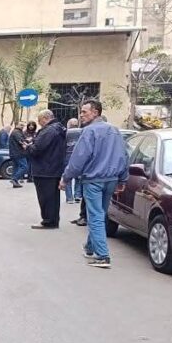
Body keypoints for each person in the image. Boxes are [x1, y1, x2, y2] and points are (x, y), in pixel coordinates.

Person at [60, 101, 129, 269]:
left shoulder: (89, 131)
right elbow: (124, 155)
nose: (81, 115)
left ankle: (102, 256)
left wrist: (66, 178)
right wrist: (122, 179)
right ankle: (90, 247)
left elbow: (78, 158)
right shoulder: (114, 130)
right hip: (111, 179)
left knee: (96, 217)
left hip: (94, 179)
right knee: (100, 214)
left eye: (84, 112)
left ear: (95, 112)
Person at [26, 109, 67, 229]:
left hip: (44, 169)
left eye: (40, 121)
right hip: (54, 168)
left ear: (45, 118)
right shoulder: (59, 128)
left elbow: (37, 149)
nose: (39, 124)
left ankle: (48, 221)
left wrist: (28, 147)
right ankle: (53, 220)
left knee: (45, 197)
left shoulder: (48, 130)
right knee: (53, 198)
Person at [63, 118, 83, 205]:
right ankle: (77, 195)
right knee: (79, 176)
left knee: (68, 176)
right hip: (79, 155)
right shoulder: (82, 131)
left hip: (68, 155)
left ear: (69, 124)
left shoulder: (66, 132)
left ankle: (69, 198)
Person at [8, 122, 29, 188]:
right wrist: (26, 145)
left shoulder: (17, 132)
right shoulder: (16, 132)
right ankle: (14, 179)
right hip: (19, 153)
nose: (22, 126)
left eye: (23, 125)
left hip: (14, 153)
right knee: (25, 167)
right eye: (21, 125)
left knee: (16, 167)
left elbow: (22, 140)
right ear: (16, 125)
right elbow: (21, 141)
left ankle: (15, 183)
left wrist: (27, 140)